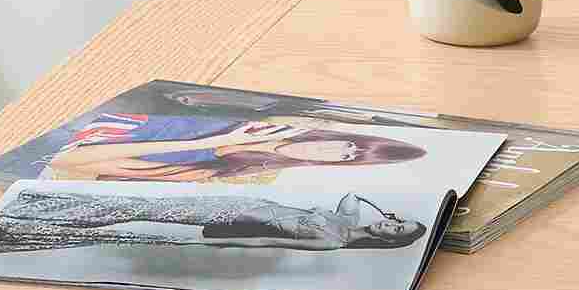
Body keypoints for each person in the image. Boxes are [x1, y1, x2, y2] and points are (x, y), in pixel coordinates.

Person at [42, 110, 428, 185]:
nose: (335, 152)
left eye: (348, 159)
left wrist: (218, 143)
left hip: (73, 137)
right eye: (348, 145)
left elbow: (71, 160)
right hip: (88, 111)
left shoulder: (215, 170)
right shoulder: (264, 121)